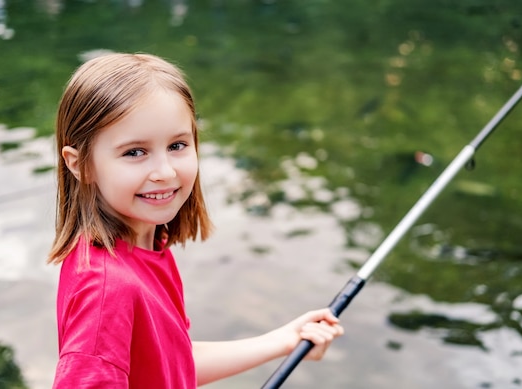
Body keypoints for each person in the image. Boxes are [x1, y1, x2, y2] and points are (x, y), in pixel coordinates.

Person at [48, 52, 344, 388]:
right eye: (135, 152)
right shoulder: (107, 288)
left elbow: (172, 365)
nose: (165, 171)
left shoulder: (146, 248)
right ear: (80, 164)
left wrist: (285, 340)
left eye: (177, 145)